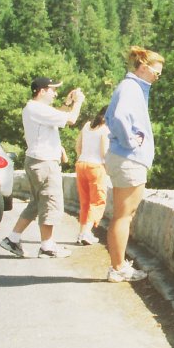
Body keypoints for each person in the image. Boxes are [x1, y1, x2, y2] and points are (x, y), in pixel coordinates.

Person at [0, 77, 85, 259]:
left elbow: (57, 116)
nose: (55, 93)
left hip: (38, 160)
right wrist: (78, 102)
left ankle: (13, 239)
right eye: (53, 89)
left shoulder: (35, 109)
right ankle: (47, 247)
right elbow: (71, 119)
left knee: (37, 203)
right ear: (42, 91)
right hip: (44, 162)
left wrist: (67, 103)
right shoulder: (36, 109)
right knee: (50, 202)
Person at [104, 46, 164, 283]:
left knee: (123, 214)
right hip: (129, 159)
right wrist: (130, 141)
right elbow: (118, 117)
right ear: (143, 68)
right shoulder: (131, 88)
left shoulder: (129, 87)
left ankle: (117, 265)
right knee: (124, 216)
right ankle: (118, 268)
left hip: (124, 158)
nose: (157, 77)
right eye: (156, 72)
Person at [75, 105, 109, 246]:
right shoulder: (105, 129)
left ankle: (82, 232)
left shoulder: (87, 125)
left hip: (81, 164)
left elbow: (78, 146)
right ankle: (86, 233)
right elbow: (104, 152)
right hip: (96, 166)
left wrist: (81, 157)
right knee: (98, 201)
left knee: (85, 201)